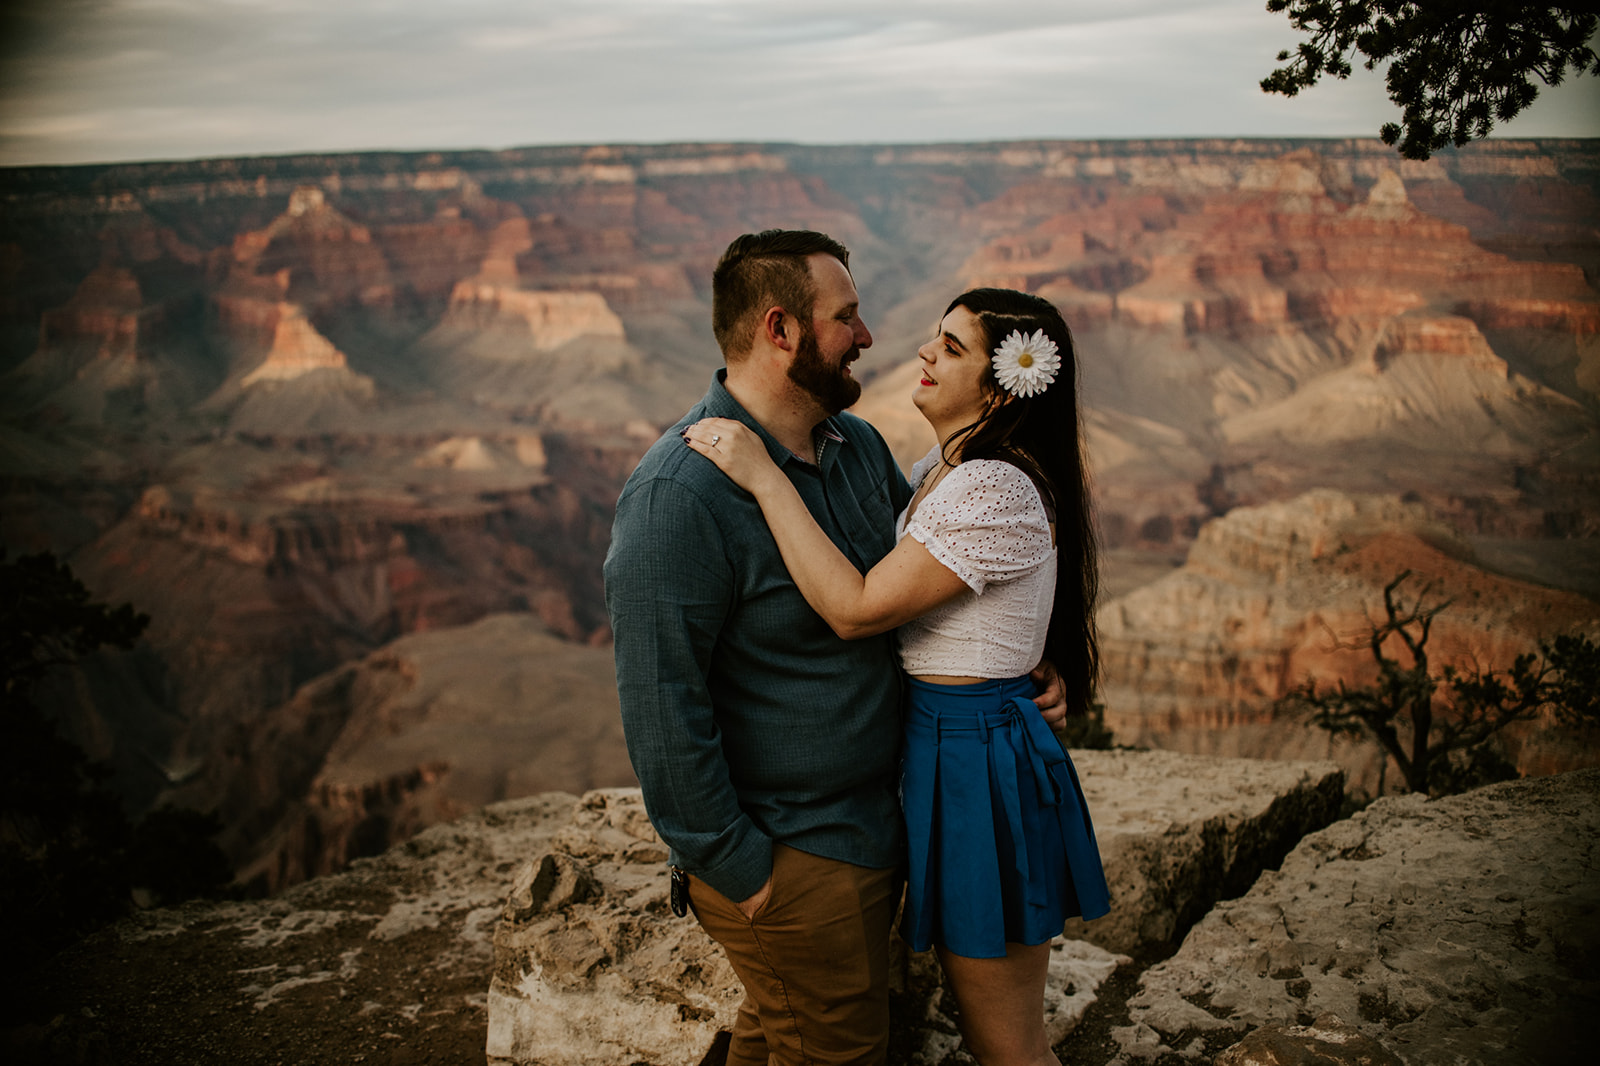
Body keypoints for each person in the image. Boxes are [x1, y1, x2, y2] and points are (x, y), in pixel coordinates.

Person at [605, 232, 1070, 1066]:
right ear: (780, 330)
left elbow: (925, 587)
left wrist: (1012, 662)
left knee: (785, 1033)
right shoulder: (678, 497)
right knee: (837, 1050)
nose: (869, 336)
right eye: (846, 316)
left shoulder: (855, 448)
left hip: (879, 826)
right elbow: (660, 707)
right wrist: (744, 871)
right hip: (794, 853)